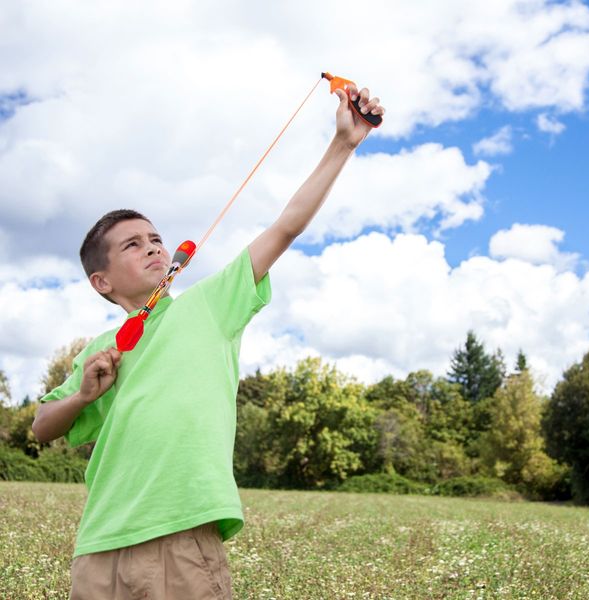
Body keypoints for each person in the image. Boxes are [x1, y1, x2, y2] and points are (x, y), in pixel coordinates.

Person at [32, 83, 384, 600]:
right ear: (101, 281)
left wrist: (343, 144)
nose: (153, 247)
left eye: (156, 239)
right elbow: (42, 427)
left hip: (180, 532)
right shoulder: (100, 350)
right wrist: (84, 395)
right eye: (133, 245)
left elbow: (286, 226)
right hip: (100, 541)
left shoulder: (210, 305)